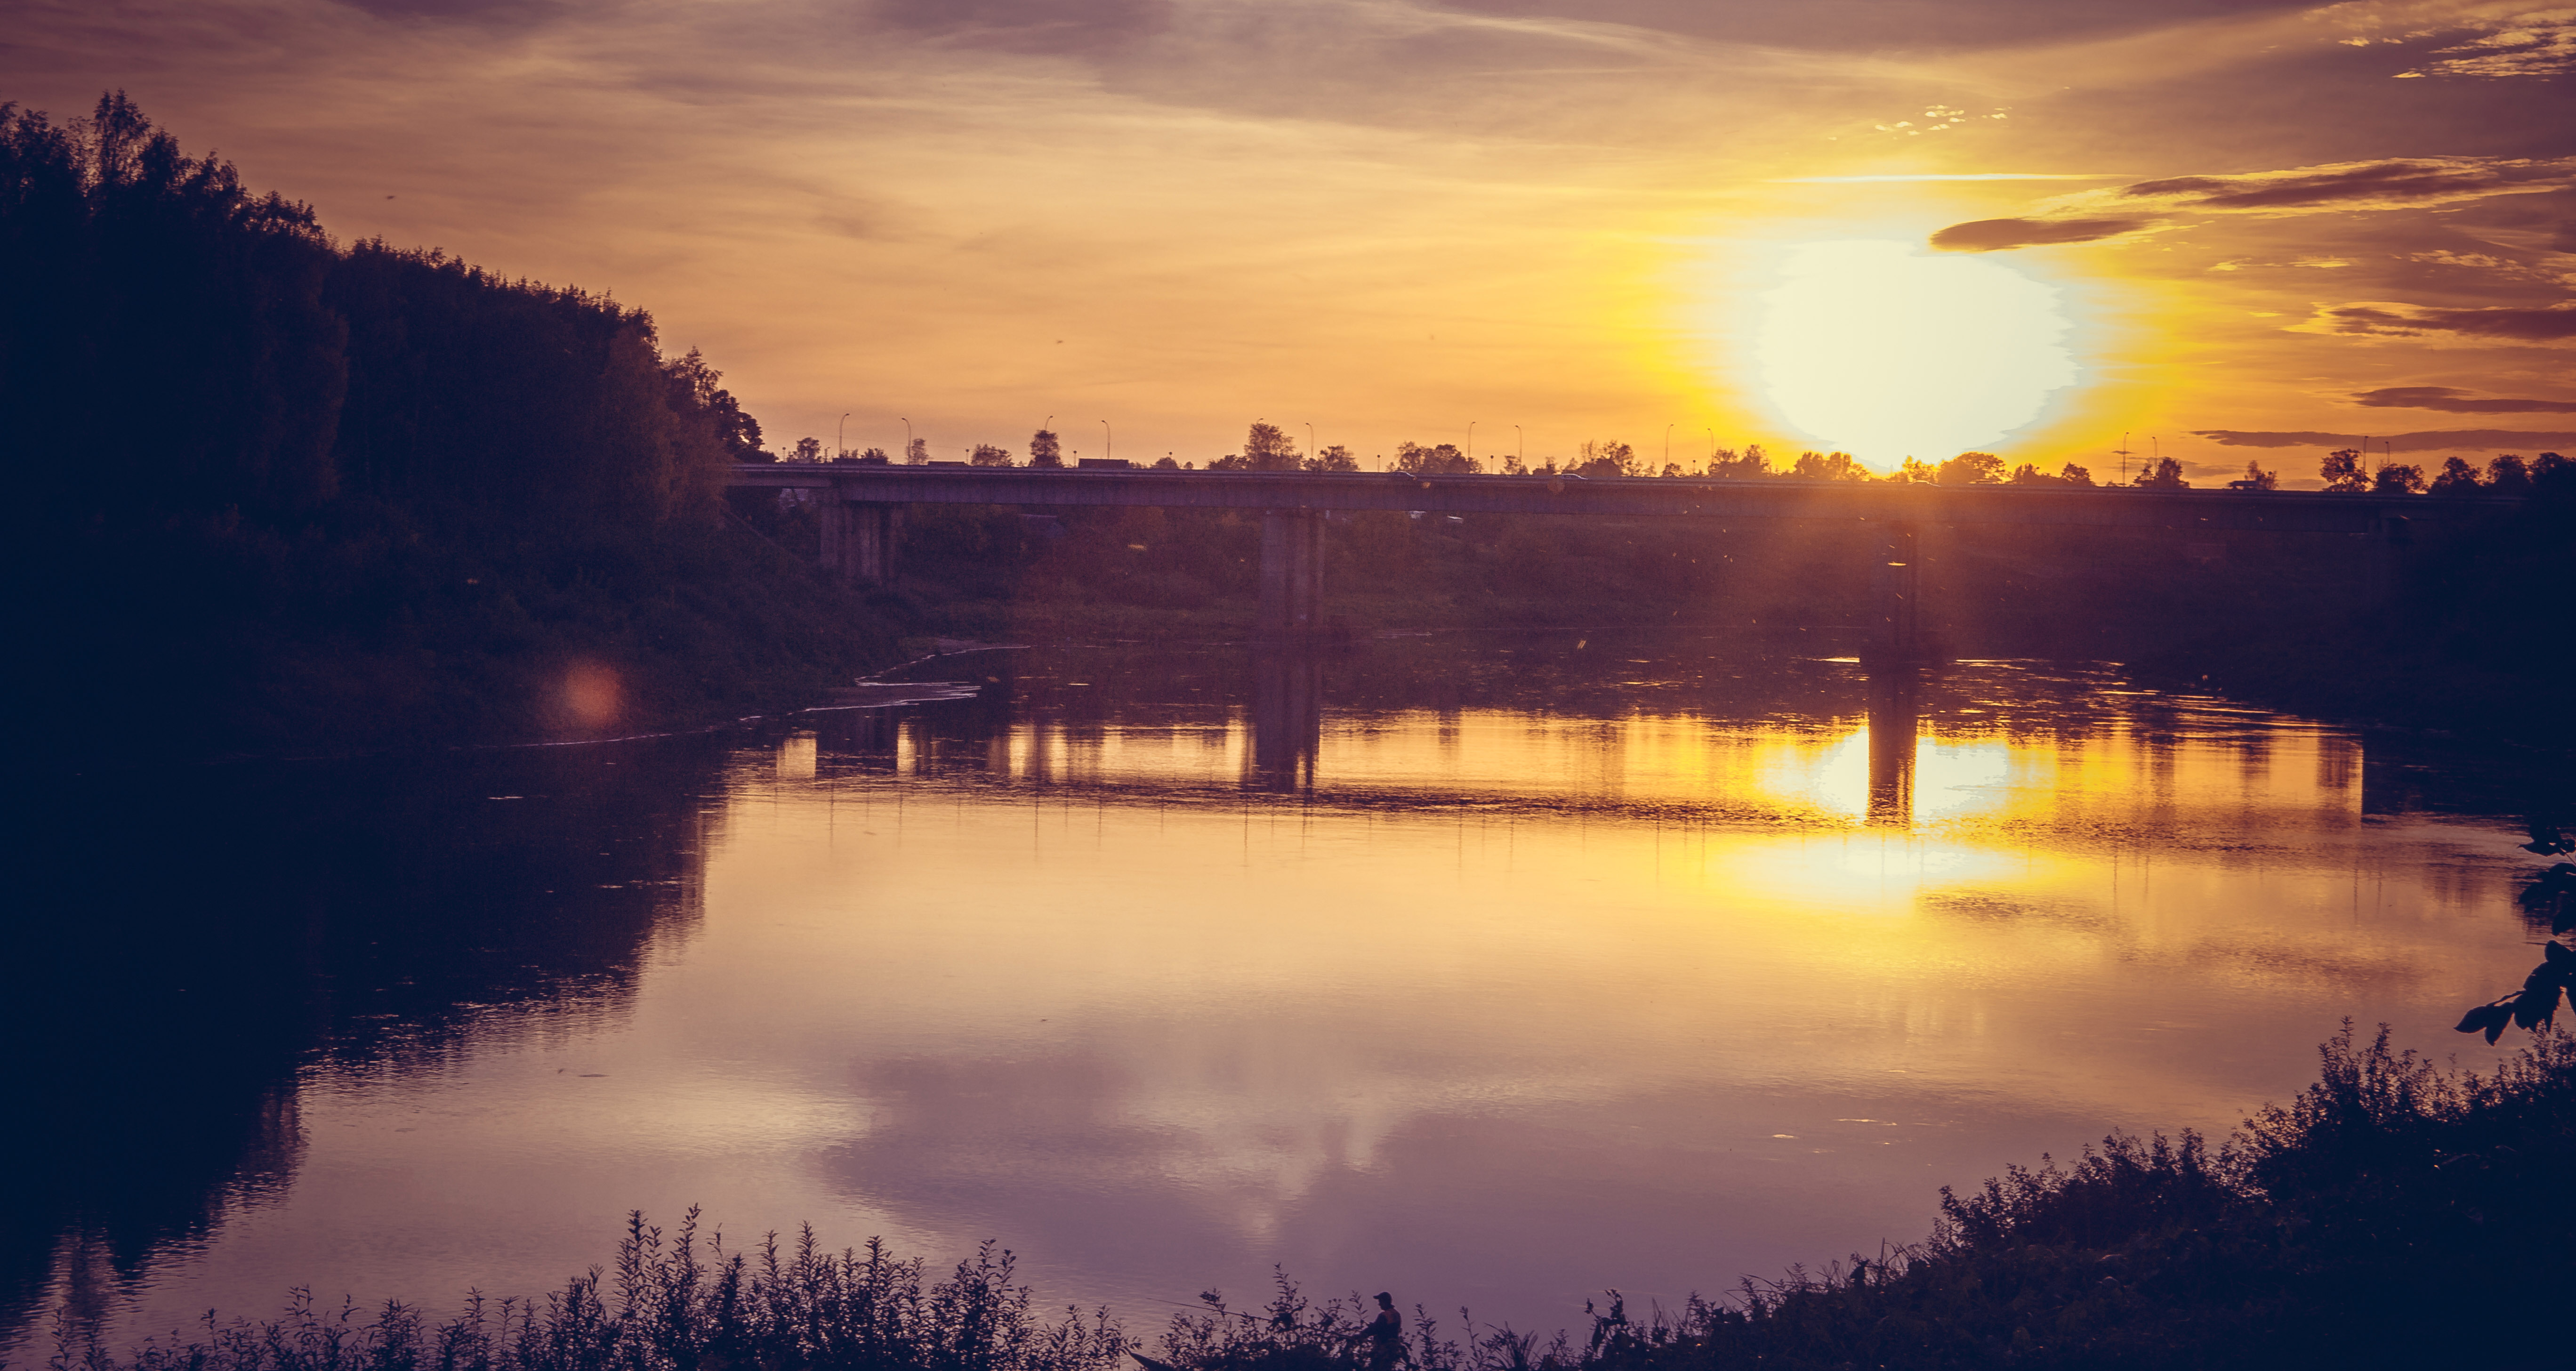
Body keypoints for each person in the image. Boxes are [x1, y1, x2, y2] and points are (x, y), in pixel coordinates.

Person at [1361, 1292, 1402, 1371]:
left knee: (1377, 1367)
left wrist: (1363, 1335)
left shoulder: (1384, 1315)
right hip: (1394, 1348)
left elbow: (1375, 1329)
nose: (1379, 1304)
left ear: (1385, 1302)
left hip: (1383, 1348)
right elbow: (1388, 1328)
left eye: (1380, 1302)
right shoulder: (1396, 1314)